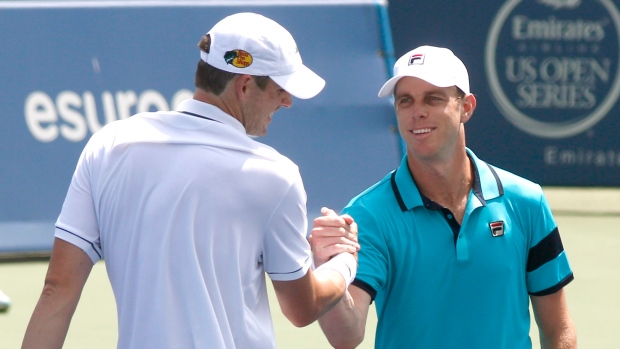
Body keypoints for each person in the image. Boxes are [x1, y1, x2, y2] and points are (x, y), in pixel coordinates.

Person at [22, 12, 360, 349]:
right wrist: (344, 263)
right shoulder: (276, 174)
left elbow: (57, 290)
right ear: (244, 87)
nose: (286, 101)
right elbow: (302, 309)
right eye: (279, 89)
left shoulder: (108, 145)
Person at [311, 45, 577, 348]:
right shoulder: (366, 216)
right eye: (405, 101)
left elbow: (558, 329)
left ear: (466, 107)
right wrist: (326, 270)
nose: (417, 111)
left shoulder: (527, 202)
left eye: (433, 98)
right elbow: (345, 336)